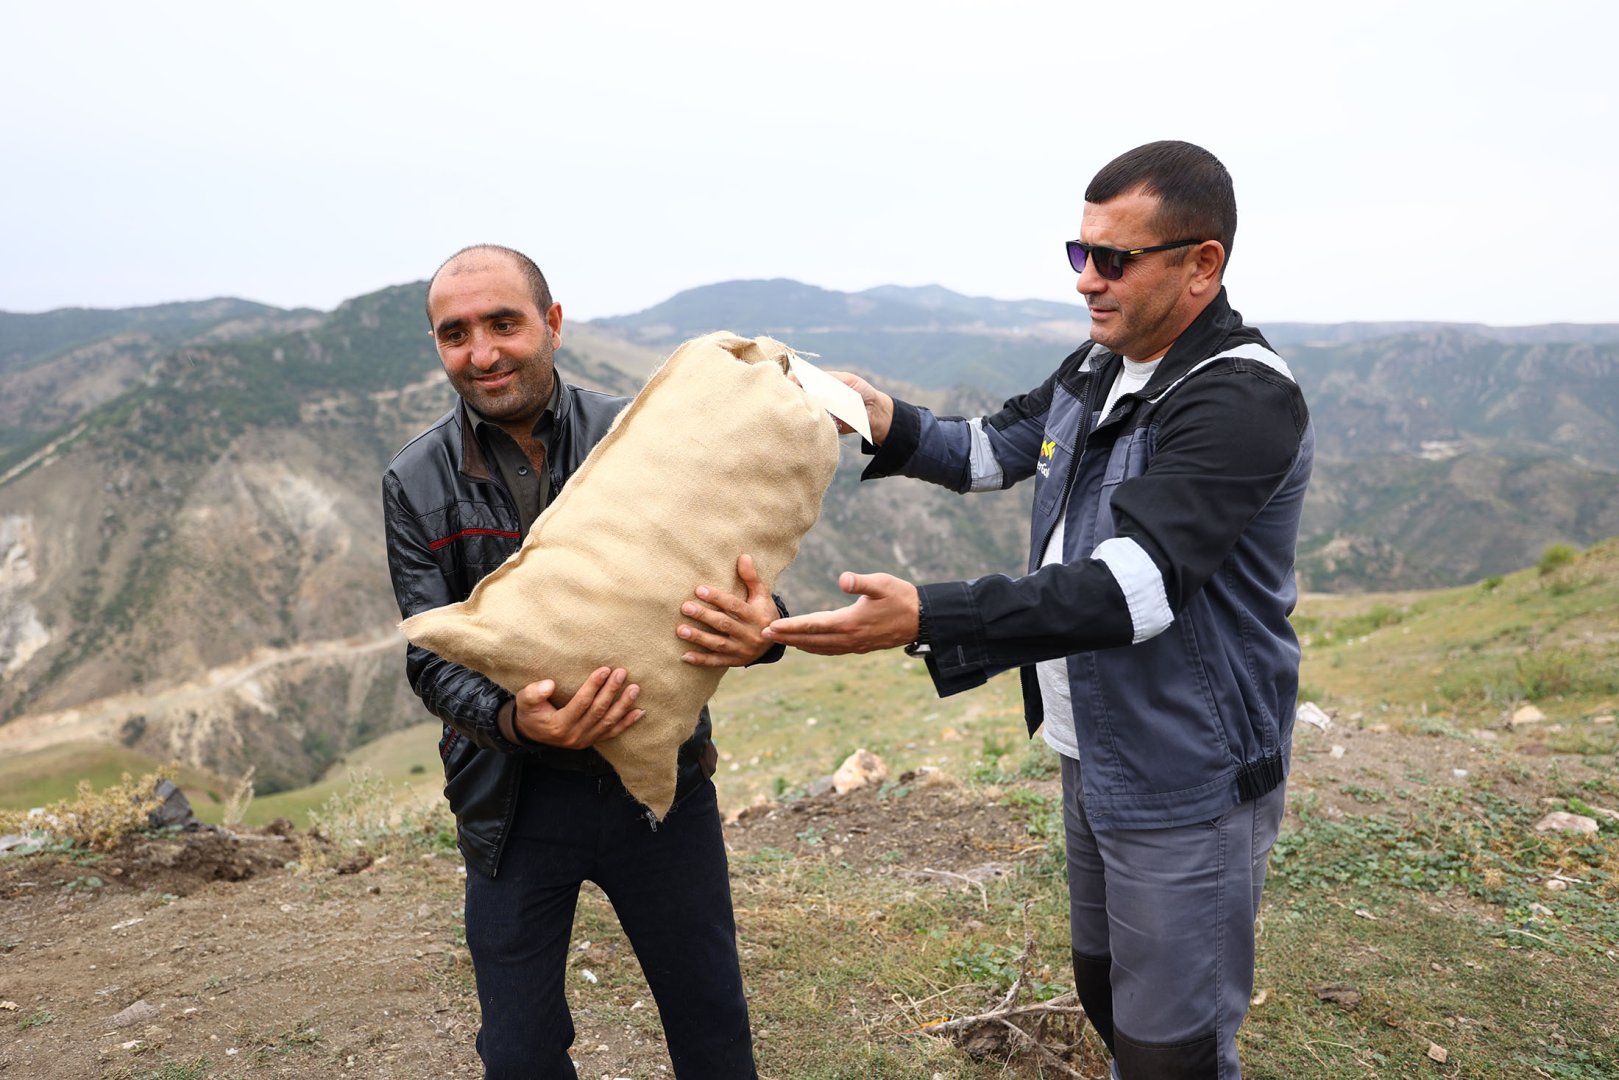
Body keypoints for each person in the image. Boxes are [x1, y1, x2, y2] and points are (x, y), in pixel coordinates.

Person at [764, 141, 1314, 1079]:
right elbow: (987, 448)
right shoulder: (1101, 364)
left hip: (1189, 768)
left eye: (1112, 259)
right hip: (1092, 747)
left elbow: (1129, 592)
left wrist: (928, 615)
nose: (1084, 282)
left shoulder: (1241, 399)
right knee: (1105, 990)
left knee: (1172, 1045)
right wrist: (875, 412)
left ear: (1201, 264)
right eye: (1078, 252)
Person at [382, 244, 775, 1079]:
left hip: (659, 790)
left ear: (552, 324)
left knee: (710, 1027)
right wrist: (510, 717)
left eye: (503, 323)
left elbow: (734, 582)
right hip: (511, 804)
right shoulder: (415, 481)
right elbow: (429, 655)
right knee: (519, 1052)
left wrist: (760, 632)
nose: (481, 352)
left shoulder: (639, 437)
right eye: (455, 334)